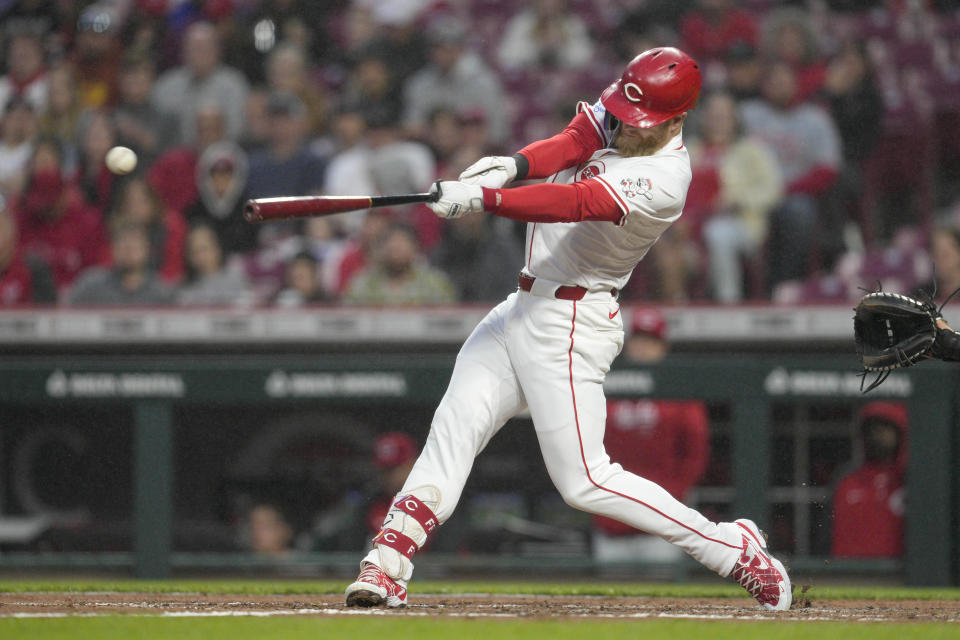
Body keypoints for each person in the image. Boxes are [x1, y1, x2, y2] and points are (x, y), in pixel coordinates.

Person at [343, 47, 791, 612]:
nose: (625, 129)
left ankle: (732, 549)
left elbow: (571, 202)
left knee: (585, 481)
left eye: (640, 125)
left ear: (677, 121)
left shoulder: (667, 179)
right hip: (521, 305)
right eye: (624, 117)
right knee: (453, 429)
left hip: (572, 323)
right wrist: (512, 164)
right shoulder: (627, 104)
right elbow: (573, 142)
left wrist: (487, 198)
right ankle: (386, 567)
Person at [592, 308, 710, 564]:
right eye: (639, 341)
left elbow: (695, 454)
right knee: (609, 598)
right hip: (612, 521)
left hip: (661, 524)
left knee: (664, 596)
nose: (644, 348)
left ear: (663, 347)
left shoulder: (680, 392)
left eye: (652, 342)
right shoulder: (604, 384)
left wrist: (672, 496)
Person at [831, 402, 907, 558]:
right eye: (871, 428)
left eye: (885, 427)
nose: (876, 433)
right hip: (846, 577)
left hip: (898, 578)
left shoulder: (908, 480)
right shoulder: (846, 479)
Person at [343, 222, 457, 306]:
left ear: (416, 248)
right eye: (390, 243)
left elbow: (448, 318)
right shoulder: (364, 283)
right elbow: (348, 317)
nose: (395, 247)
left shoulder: (434, 283)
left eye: (402, 242)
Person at [66, 221, 175, 306]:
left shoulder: (162, 293)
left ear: (147, 250)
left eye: (135, 245)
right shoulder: (90, 286)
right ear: (112, 249)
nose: (129, 251)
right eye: (123, 245)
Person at [177, 223, 251, 307]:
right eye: (194, 251)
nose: (200, 257)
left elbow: (247, 311)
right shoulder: (185, 287)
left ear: (217, 249)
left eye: (204, 249)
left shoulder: (236, 279)